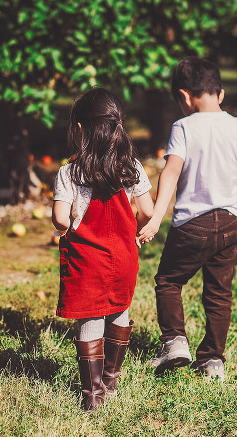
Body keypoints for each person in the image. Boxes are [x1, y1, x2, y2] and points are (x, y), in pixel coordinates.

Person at [136, 57, 237, 381]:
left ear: (185, 96)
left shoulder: (183, 127)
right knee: (219, 292)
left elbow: (171, 172)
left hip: (193, 224)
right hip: (230, 222)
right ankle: (213, 359)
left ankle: (174, 341)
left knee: (168, 280)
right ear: (221, 93)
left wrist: (157, 215)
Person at [52, 87, 155, 410]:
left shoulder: (70, 172)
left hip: (87, 261)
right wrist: (138, 226)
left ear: (80, 129)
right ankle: (111, 377)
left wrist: (66, 223)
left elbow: (59, 219)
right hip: (123, 256)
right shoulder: (130, 167)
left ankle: (93, 394)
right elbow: (148, 211)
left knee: (90, 320)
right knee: (120, 309)